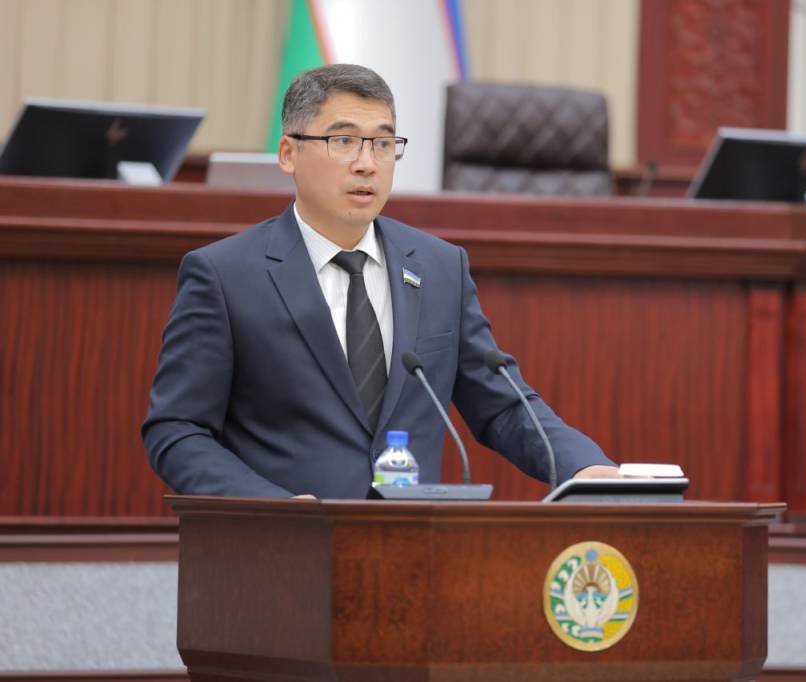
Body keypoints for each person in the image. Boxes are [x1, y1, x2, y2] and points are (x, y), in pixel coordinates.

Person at [142, 64, 617, 499]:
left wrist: (584, 466)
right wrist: (273, 510)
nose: (367, 163)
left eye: (383, 144)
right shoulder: (225, 275)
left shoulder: (440, 267)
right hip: (283, 547)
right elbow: (178, 430)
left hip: (412, 544)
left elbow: (502, 406)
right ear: (288, 153)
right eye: (344, 141)